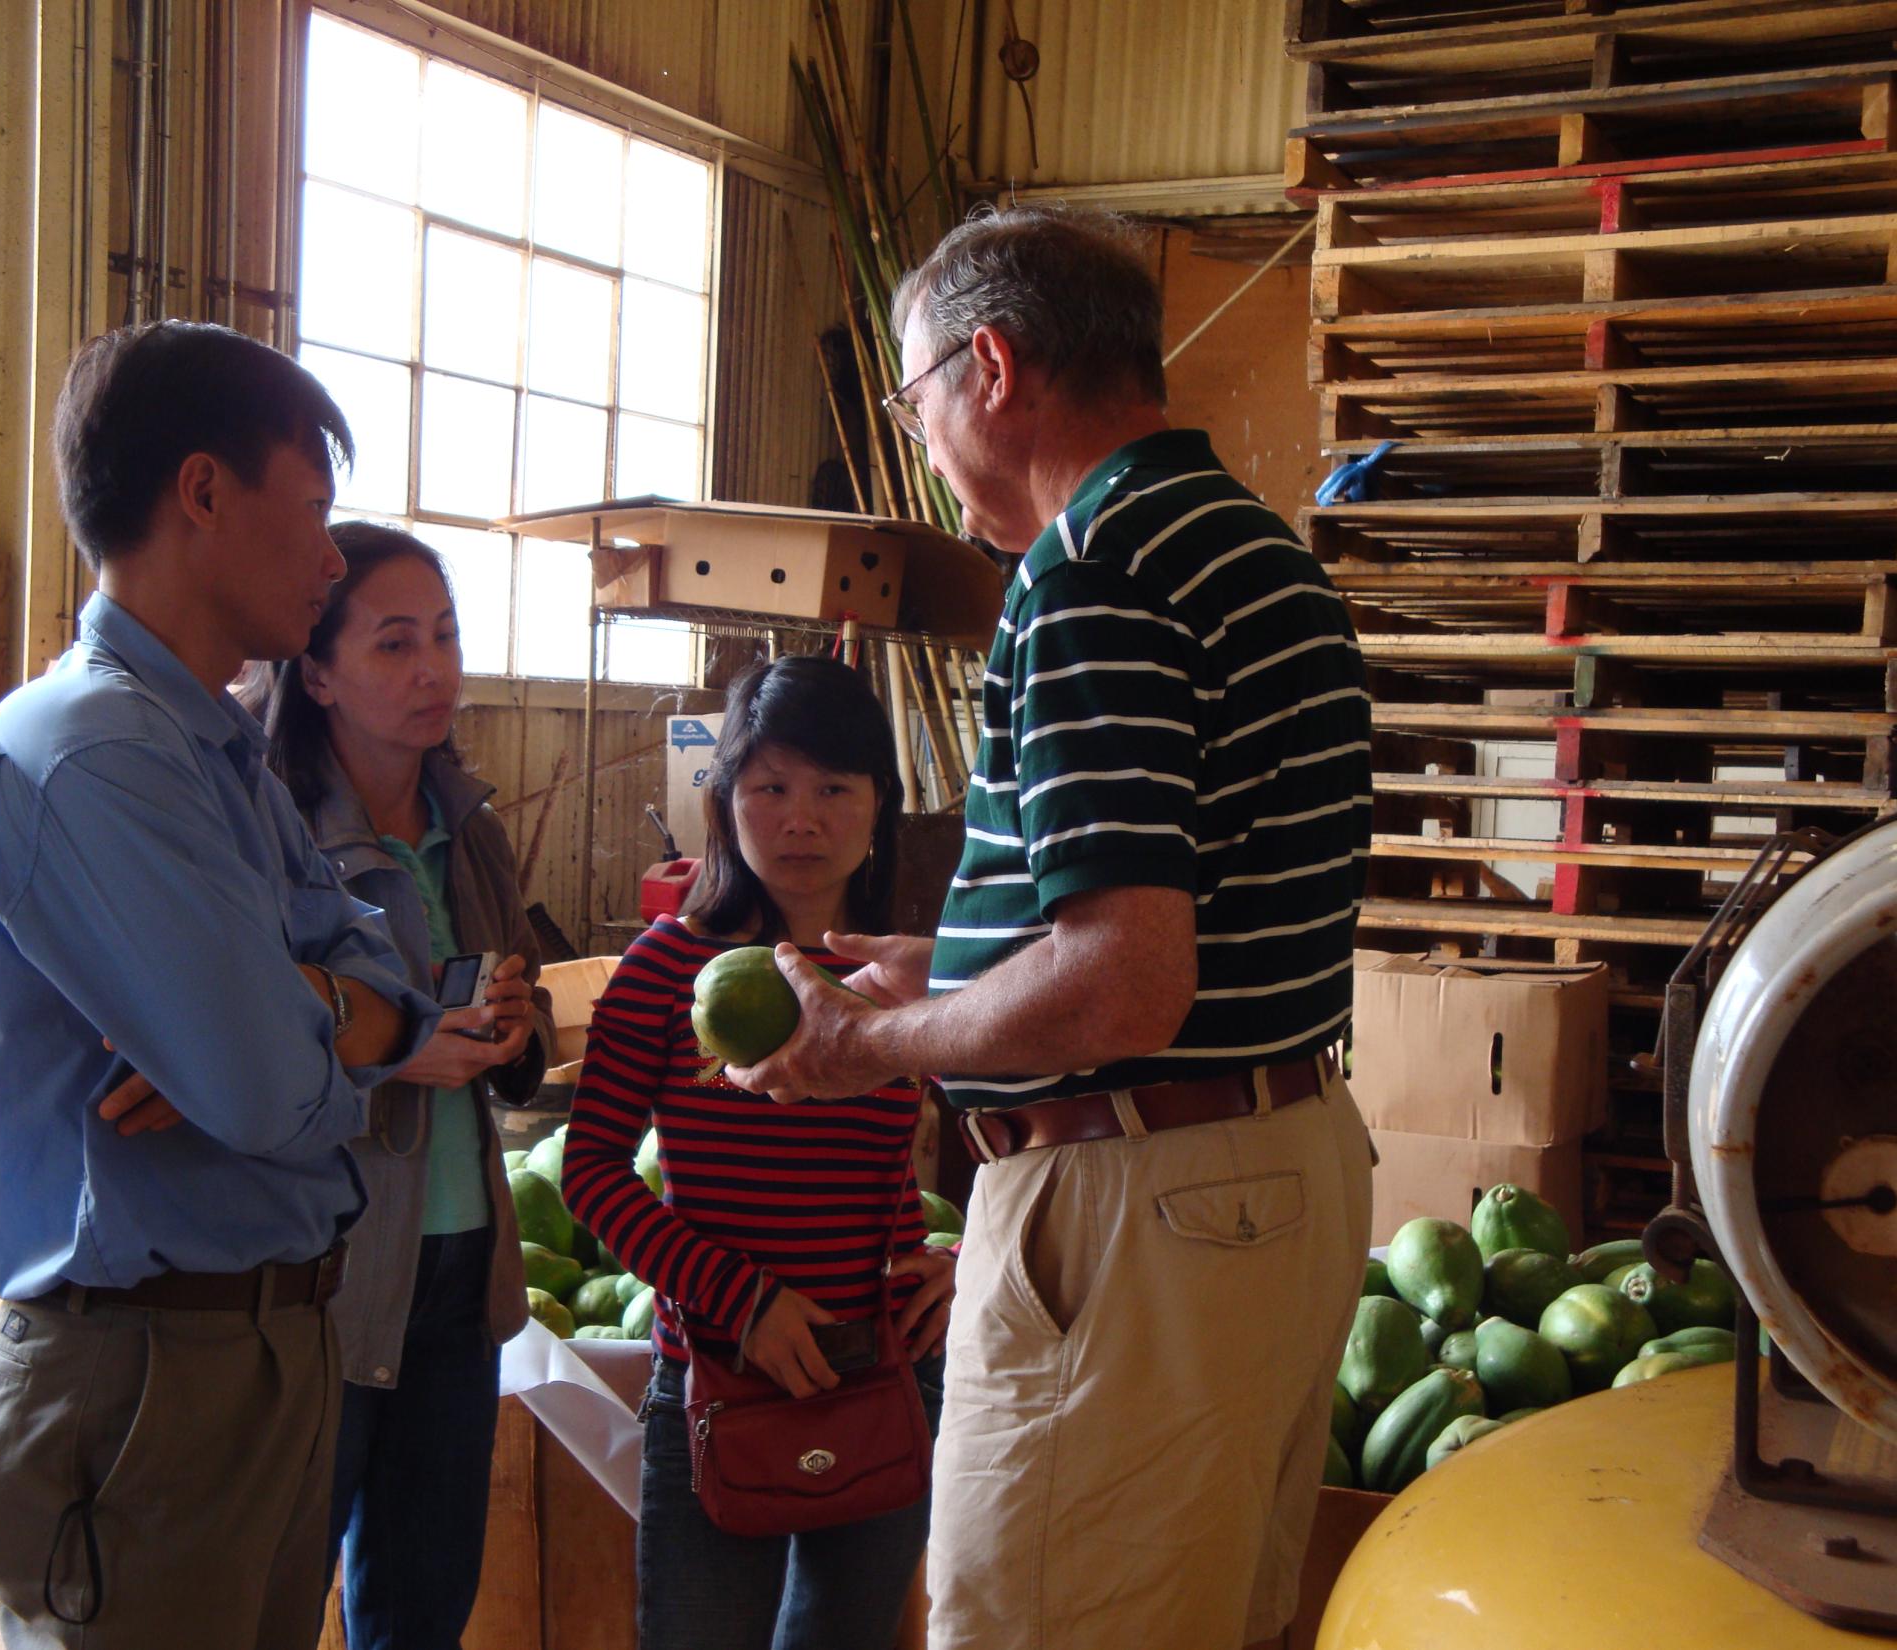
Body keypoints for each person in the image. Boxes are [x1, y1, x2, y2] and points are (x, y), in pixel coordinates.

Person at [722, 207, 1377, 1650]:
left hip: (1136, 1201)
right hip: (1282, 1164)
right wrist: (948, 963)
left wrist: (867, 1042)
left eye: (912, 398)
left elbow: (1127, 979)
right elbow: (1190, 906)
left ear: (993, 366)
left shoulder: (1091, 571)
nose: (924, 446)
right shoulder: (1255, 552)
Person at [0, 320, 439, 1650]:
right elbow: (275, 1090)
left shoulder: (214, 746)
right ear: (205, 493)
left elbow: (392, 986)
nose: (332, 558)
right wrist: (303, 1026)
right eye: (316, 509)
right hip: (139, 1375)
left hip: (265, 1348)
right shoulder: (93, 754)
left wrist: (308, 1007)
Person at [562, 655, 957, 1650]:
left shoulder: (909, 974)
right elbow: (592, 1171)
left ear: (879, 806)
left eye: (833, 789)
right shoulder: (664, 971)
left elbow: (1011, 1141)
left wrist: (963, 1259)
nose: (800, 818)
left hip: (883, 1372)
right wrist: (740, 1301)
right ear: (725, 799)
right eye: (769, 787)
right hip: (712, 1381)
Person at [251, 520, 554, 1650]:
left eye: (444, 636)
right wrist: (389, 1045)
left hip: (462, 1270)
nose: (432, 669)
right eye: (392, 645)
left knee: (424, 1604)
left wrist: (515, 1026)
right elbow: (241, 1031)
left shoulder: (465, 827)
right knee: (280, 1589)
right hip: (325, 1273)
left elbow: (518, 1040)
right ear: (317, 673)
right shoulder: (271, 832)